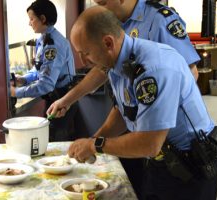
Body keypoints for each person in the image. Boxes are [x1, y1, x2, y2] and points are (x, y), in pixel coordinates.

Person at [47, 0, 200, 197]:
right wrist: (94, 140)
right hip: (160, 159)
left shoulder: (153, 60)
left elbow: (150, 143)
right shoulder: (117, 58)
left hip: (188, 161)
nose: (84, 62)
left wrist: (96, 145)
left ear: (108, 43)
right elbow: (124, 108)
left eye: (86, 54)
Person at [11, 0, 78, 142]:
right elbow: (40, 69)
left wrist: (16, 92)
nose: (29, 23)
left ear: (42, 19)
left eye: (31, 19)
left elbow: (46, 84)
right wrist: (24, 79)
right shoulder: (44, 40)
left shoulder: (52, 45)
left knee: (57, 145)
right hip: (55, 97)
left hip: (63, 99)